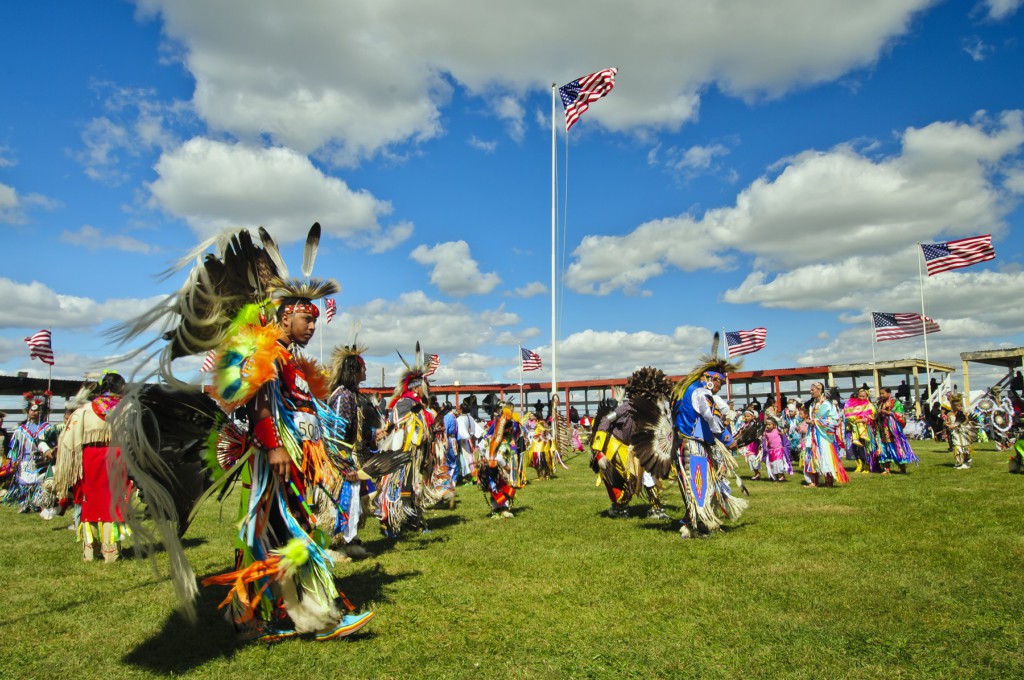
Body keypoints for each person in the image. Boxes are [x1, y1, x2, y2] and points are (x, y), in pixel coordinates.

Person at [110, 225, 373, 643]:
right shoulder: (263, 349)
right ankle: (318, 615)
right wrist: (272, 447)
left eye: (316, 320)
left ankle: (251, 616)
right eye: (307, 318)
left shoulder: (289, 360)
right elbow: (259, 402)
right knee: (292, 531)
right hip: (274, 461)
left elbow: (303, 412)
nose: (312, 327)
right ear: (286, 314)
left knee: (268, 533)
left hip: (289, 461)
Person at [668, 354, 748, 538]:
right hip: (694, 446)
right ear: (711, 379)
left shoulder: (686, 390)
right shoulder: (701, 392)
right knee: (699, 487)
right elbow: (713, 418)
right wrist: (729, 440)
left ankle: (694, 524)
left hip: (687, 445)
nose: (720, 386)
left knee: (697, 487)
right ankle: (695, 526)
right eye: (720, 381)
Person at [55, 373, 132, 562]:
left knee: (90, 503)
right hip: (116, 458)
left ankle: (91, 550)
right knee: (112, 502)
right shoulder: (127, 409)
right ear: (121, 388)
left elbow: (68, 439)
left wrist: (68, 465)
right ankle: (111, 551)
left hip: (90, 459)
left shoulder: (85, 409)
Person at [323, 342, 382, 560]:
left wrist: (373, 434)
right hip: (341, 459)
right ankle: (337, 545)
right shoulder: (343, 396)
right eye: (363, 367)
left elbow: (355, 430)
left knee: (356, 500)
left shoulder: (352, 395)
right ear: (353, 370)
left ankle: (350, 542)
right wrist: (342, 462)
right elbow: (337, 432)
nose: (365, 371)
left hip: (351, 457)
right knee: (342, 500)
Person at [590, 367, 672, 520]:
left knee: (650, 477)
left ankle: (656, 508)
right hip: (618, 445)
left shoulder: (653, 412)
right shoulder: (627, 407)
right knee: (626, 482)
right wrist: (598, 451)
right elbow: (606, 420)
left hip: (638, 448)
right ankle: (619, 506)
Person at [2, 392, 57, 513]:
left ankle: (37, 503)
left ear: (41, 412)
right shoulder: (20, 429)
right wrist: (14, 460)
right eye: (32, 410)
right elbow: (15, 447)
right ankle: (24, 503)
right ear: (28, 411)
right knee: (24, 481)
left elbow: (53, 444)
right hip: (25, 460)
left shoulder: (47, 428)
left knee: (39, 481)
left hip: (40, 460)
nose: (34, 412)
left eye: (37, 410)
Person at [805, 382, 849, 488]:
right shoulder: (813, 404)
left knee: (825, 456)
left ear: (820, 390)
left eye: (812, 390)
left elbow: (835, 420)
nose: (810, 392)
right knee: (812, 456)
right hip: (813, 435)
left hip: (823, 436)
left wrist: (815, 422)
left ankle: (828, 481)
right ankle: (814, 481)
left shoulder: (827, 404)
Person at [875, 386, 918, 474]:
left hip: (893, 430)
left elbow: (900, 414)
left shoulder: (895, 402)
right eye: (881, 393)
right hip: (882, 429)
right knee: (884, 447)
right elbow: (876, 414)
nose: (881, 395)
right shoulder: (880, 403)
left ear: (889, 393)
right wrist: (878, 414)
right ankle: (887, 469)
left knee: (896, 447)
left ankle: (902, 468)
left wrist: (885, 412)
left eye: (883, 393)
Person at [844, 388, 878, 474]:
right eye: (860, 396)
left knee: (866, 448)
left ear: (867, 396)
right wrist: (852, 420)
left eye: (863, 396)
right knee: (859, 449)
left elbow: (872, 417)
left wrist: (861, 420)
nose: (861, 397)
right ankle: (861, 464)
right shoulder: (854, 406)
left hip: (866, 430)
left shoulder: (870, 406)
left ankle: (868, 465)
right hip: (855, 430)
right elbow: (849, 414)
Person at [947, 395, 973, 469]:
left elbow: (966, 420)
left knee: (965, 447)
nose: (960, 407)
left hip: (963, 431)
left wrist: (960, 424)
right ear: (954, 406)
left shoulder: (963, 414)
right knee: (957, 446)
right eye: (959, 406)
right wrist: (950, 426)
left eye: (961, 406)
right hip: (955, 433)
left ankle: (966, 461)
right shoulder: (949, 414)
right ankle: (959, 462)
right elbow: (946, 423)